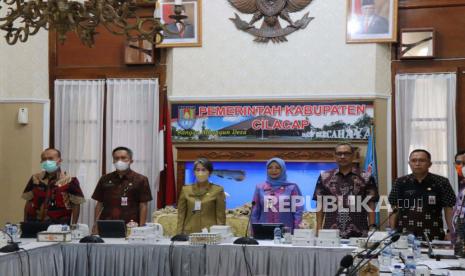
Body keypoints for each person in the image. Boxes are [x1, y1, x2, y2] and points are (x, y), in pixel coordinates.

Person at [313, 143, 378, 238]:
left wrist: (372, 227)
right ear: (334, 156)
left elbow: (371, 203)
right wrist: (319, 228)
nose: (342, 156)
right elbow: (320, 204)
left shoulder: (366, 177)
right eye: (339, 153)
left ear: (353, 155)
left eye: (346, 153)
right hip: (330, 231)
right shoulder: (325, 177)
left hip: (359, 231)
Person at [389, 149, 456, 240]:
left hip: (433, 235)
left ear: (430, 164)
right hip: (404, 236)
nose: (417, 163)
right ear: (409, 163)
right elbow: (394, 208)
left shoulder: (442, 182)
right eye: (413, 161)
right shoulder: (400, 182)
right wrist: (392, 231)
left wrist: (451, 232)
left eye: (422, 160)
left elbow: (448, 209)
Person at [92, 147, 152, 230]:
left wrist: (141, 228)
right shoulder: (104, 179)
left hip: (131, 226)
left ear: (131, 160)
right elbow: (99, 204)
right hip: (107, 224)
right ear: (113, 161)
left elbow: (143, 205)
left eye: (123, 158)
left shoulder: (141, 179)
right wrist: (96, 224)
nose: (119, 161)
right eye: (116, 158)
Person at [22, 148, 85, 225]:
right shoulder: (35, 178)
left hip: (59, 225)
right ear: (41, 162)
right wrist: (25, 223)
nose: (47, 161)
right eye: (44, 159)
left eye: (51, 158)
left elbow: (76, 204)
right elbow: (28, 202)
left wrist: (74, 225)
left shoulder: (70, 180)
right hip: (34, 223)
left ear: (59, 160)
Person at [251, 157, 303, 232]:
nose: (273, 170)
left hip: (286, 231)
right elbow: (255, 212)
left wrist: (297, 231)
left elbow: (298, 211)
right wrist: (254, 231)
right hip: (264, 231)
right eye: (270, 167)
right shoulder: (260, 187)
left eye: (277, 168)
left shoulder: (292, 187)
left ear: (283, 169)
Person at [176, 158, 226, 234]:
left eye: (203, 170)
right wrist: (178, 234)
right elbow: (181, 215)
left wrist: (221, 235)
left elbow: (220, 216)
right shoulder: (186, 190)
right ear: (194, 172)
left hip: (210, 233)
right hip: (189, 233)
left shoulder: (217, 190)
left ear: (210, 172)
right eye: (197, 170)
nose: (200, 173)